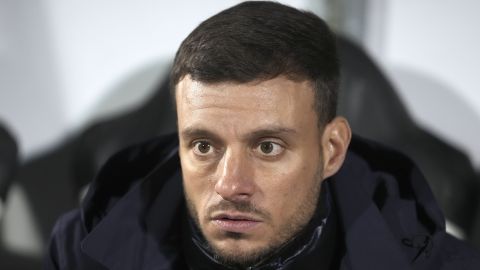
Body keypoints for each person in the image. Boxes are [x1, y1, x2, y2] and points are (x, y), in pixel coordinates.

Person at [46, 1, 480, 269]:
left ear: (331, 151)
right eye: (203, 146)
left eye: (268, 147)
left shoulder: (439, 266)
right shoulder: (80, 254)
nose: (231, 185)